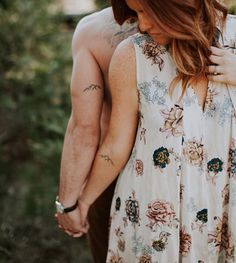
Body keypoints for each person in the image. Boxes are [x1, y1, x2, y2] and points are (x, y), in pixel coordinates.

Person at [75, 0, 236, 262]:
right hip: (154, 221)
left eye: (148, 11)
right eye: (137, 12)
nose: (143, 24)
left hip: (227, 212)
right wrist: (80, 202)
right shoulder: (133, 54)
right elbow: (116, 144)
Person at [55, 7, 137, 263]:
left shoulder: (93, 31)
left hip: (110, 177)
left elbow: (84, 128)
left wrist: (68, 204)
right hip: (200, 175)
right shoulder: (214, 25)